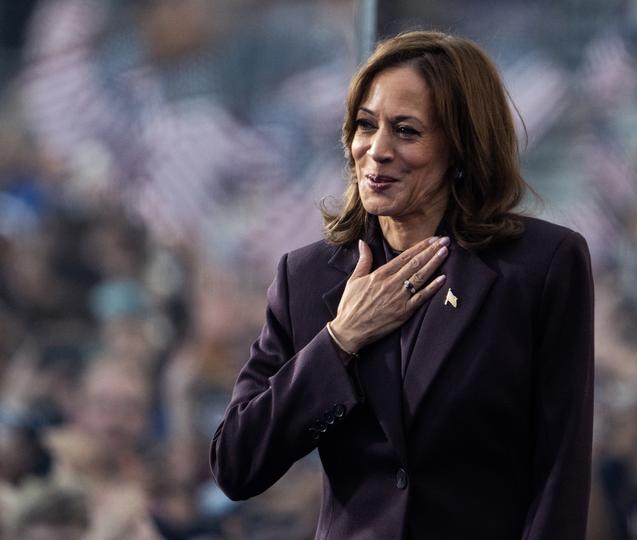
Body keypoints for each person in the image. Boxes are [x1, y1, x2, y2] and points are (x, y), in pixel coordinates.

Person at [210, 30, 594, 539]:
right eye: (366, 125)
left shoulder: (540, 266)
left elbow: (560, 469)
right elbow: (236, 462)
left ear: (461, 145)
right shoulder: (305, 277)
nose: (377, 150)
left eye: (407, 131)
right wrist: (340, 339)